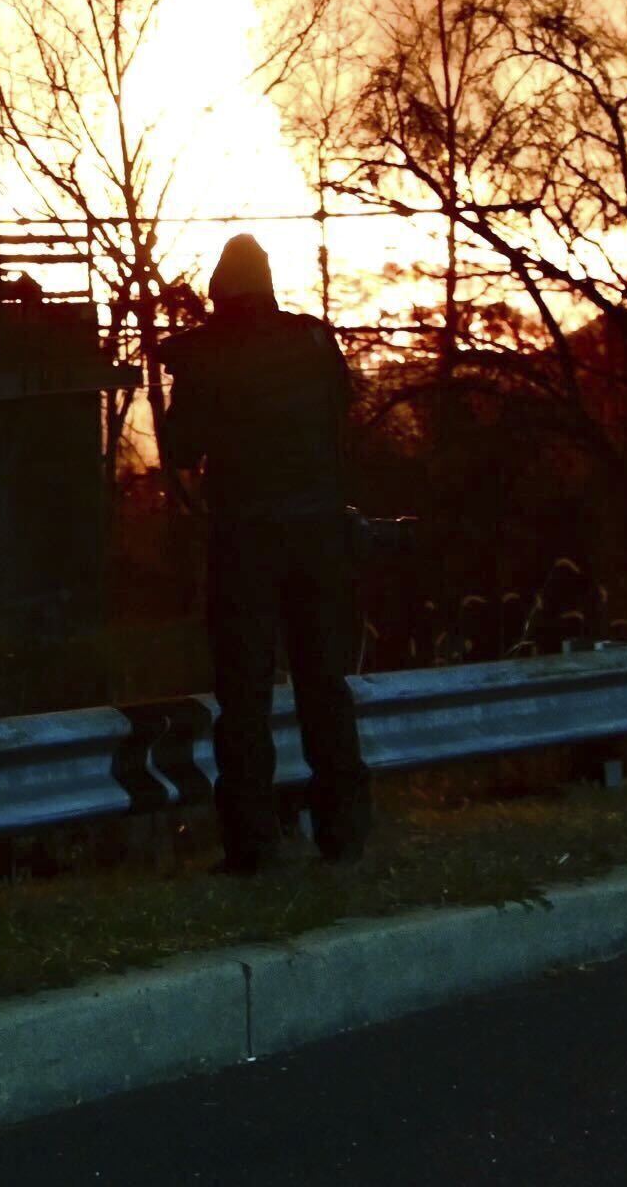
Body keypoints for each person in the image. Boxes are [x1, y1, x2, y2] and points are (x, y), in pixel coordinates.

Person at [156, 232, 368, 872]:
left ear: (221, 291)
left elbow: (183, 449)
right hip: (319, 539)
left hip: (244, 541)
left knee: (244, 699)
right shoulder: (311, 340)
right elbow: (340, 414)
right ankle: (344, 837)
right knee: (324, 687)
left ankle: (252, 847)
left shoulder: (206, 354)